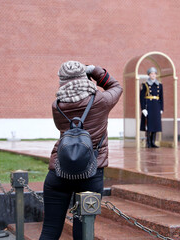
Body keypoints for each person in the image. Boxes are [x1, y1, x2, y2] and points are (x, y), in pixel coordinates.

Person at [39, 60, 123, 240]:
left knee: (50, 230)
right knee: (83, 231)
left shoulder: (57, 105)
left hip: (59, 171)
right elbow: (116, 86)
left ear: (62, 81)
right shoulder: (100, 100)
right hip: (91, 172)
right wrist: (94, 70)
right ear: (83, 77)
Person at [140, 67, 164, 148]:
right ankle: (148, 142)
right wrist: (143, 108)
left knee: (155, 125)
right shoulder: (145, 84)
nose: (153, 75)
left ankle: (153, 142)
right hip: (148, 106)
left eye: (154, 74)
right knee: (149, 125)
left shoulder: (159, 85)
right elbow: (142, 97)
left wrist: (161, 108)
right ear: (149, 75)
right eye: (151, 74)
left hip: (156, 106)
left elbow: (161, 97)